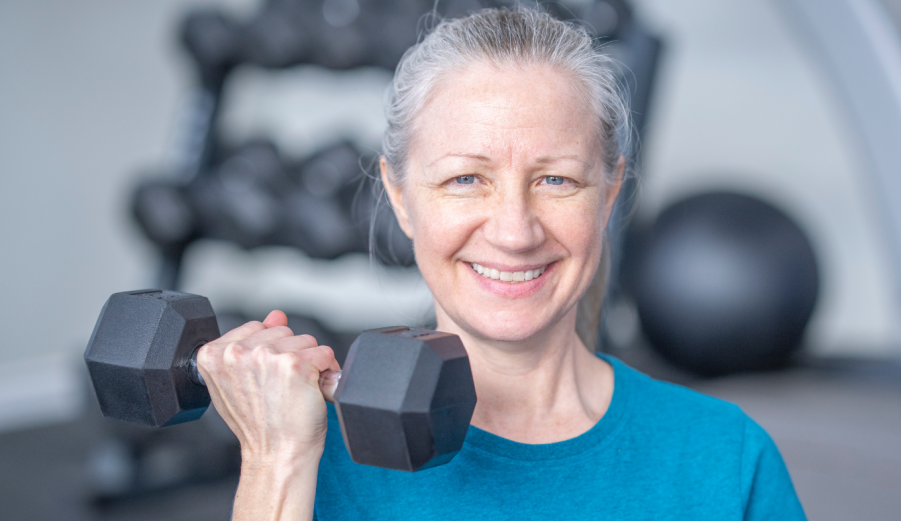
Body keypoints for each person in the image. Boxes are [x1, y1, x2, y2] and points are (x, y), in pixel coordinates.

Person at [197, 7, 806, 520]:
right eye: (466, 178)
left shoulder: (724, 459)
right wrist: (276, 461)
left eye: (557, 179)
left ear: (609, 195)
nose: (515, 231)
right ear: (402, 199)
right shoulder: (308, 452)